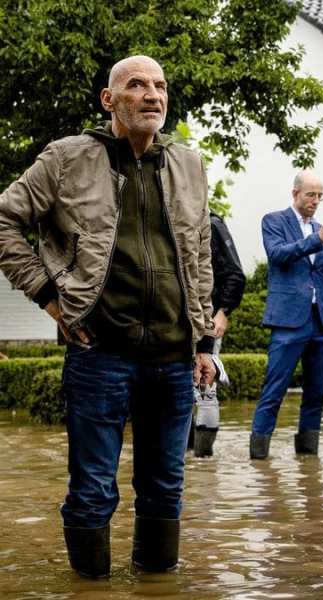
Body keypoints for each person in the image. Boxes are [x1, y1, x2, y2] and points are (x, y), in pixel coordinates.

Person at [0, 55, 216, 578]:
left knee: (166, 486)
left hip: (171, 357)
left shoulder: (188, 163)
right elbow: (5, 220)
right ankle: (91, 587)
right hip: (100, 354)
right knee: (93, 490)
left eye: (160, 86)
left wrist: (205, 341)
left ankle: (154, 585)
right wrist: (49, 295)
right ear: (109, 99)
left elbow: (199, 252)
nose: (152, 95)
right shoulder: (67, 158)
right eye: (137, 85)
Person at [249, 171, 323, 459]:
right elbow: (278, 254)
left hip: (321, 322)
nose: (316, 201)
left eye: (320, 196)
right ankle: (259, 459)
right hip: (287, 321)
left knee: (316, 393)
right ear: (295, 193)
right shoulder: (274, 221)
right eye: (311, 194)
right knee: (274, 390)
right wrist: (316, 241)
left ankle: (308, 458)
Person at [189, 211, 246, 457]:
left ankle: (203, 458)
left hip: (206, 322)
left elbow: (235, 274)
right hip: (172, 323)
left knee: (205, 389)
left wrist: (223, 311)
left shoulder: (212, 224)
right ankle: (185, 453)